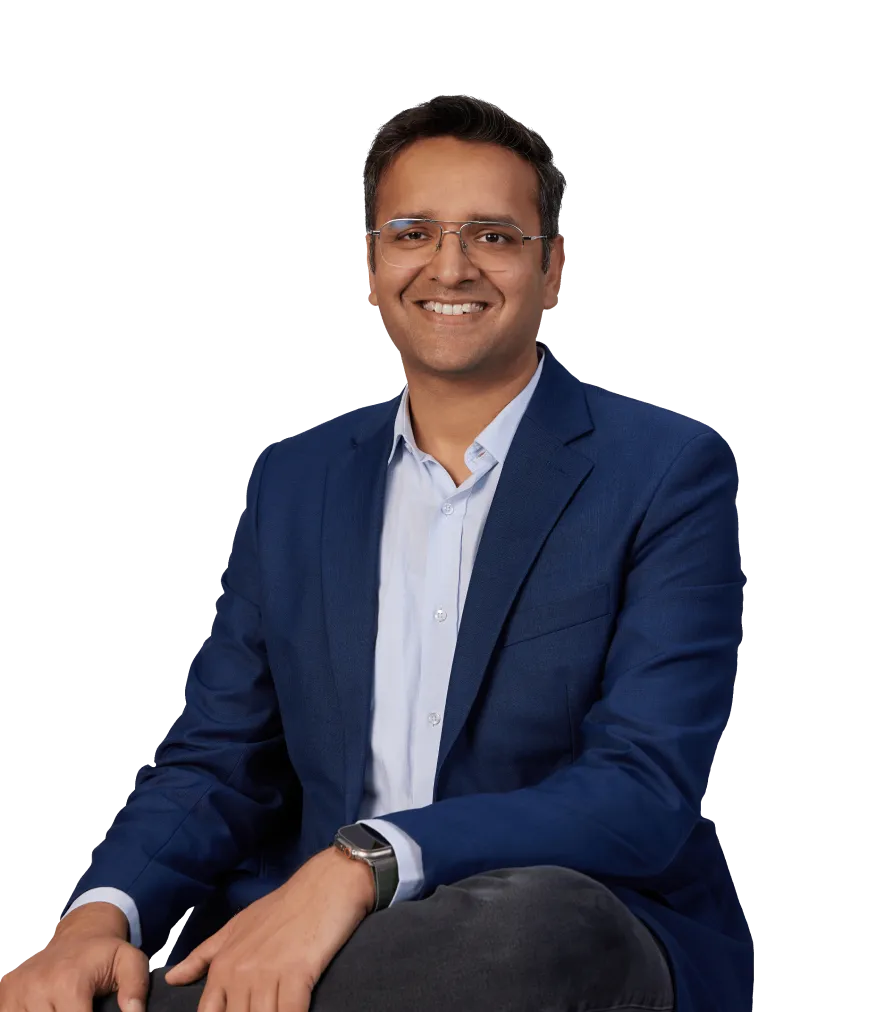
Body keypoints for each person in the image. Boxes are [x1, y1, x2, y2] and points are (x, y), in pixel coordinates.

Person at [1, 95, 751, 1012]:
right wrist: (96, 921)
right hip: (327, 942)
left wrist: (367, 861)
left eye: (494, 236)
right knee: (86, 981)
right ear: (372, 263)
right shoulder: (296, 479)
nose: (450, 266)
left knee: (540, 929)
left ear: (552, 266)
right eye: (412, 233)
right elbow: (220, 757)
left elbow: (641, 789)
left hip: (558, 933)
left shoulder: (668, 469)